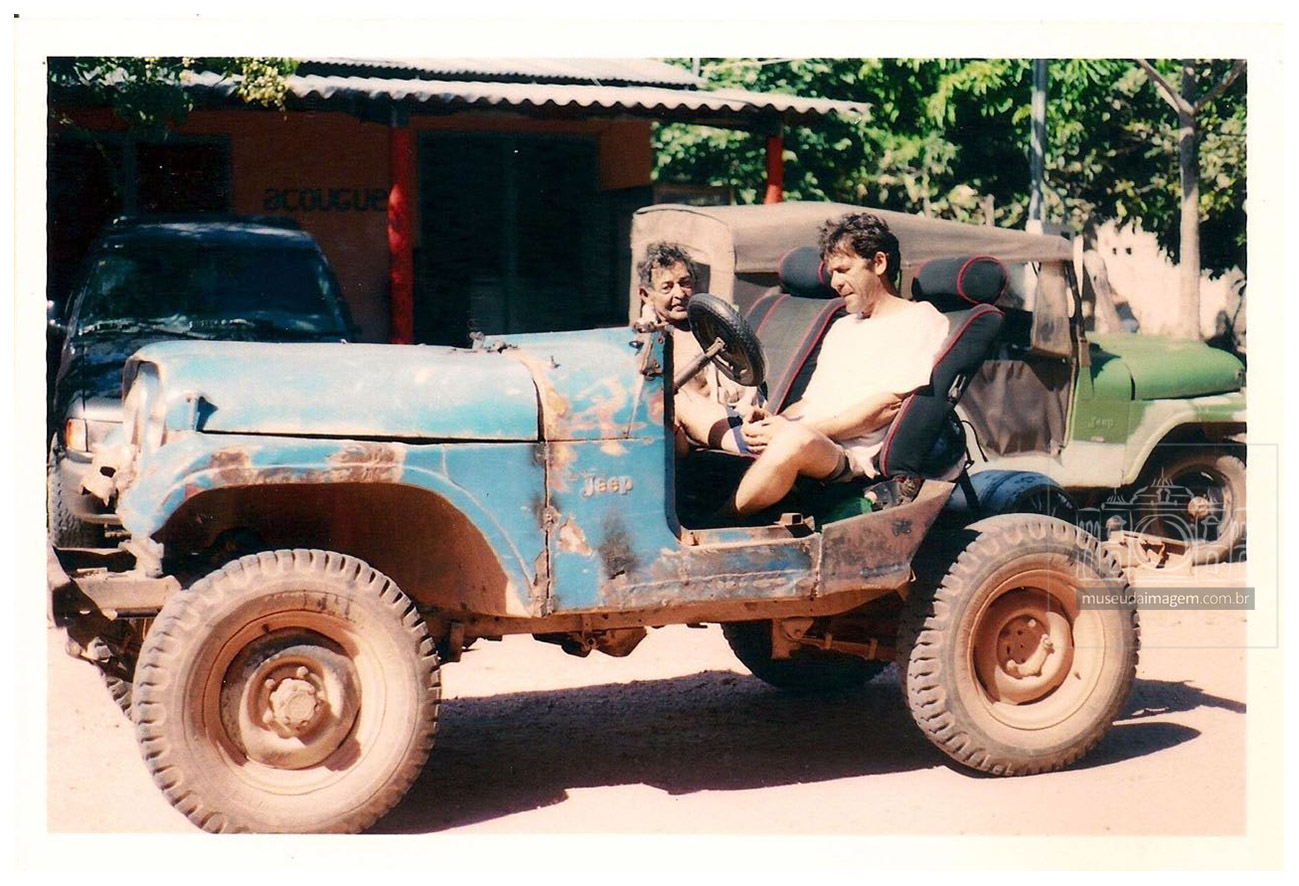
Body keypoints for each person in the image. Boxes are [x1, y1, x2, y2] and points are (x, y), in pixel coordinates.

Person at [728, 212, 950, 515]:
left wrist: (795, 430)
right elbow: (810, 402)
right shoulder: (843, 327)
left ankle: (712, 526)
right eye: (832, 273)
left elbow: (886, 407)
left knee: (793, 440)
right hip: (808, 436)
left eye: (844, 270)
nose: (835, 283)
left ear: (879, 263)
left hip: (847, 455)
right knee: (686, 405)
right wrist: (772, 420)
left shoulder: (919, 319)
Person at [636, 242, 757, 454]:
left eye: (685, 283)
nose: (680, 294)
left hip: (728, 421)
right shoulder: (640, 340)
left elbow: (747, 387)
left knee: (673, 397)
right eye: (667, 287)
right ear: (646, 295)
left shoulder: (717, 328)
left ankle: (749, 445)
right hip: (672, 433)